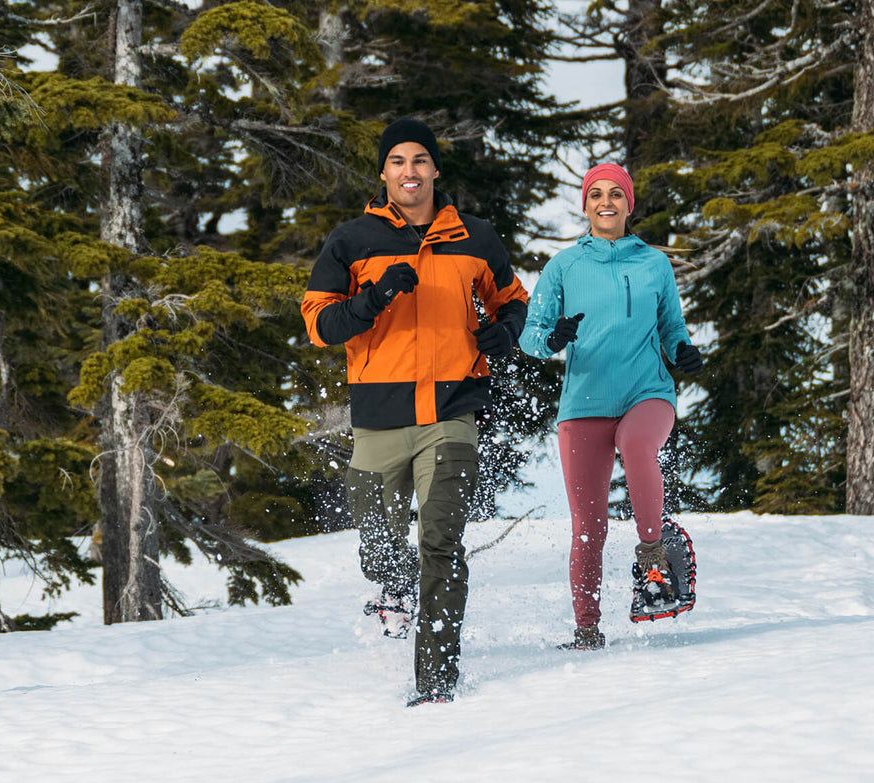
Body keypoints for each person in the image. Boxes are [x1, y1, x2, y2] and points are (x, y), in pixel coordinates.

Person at [301, 118, 529, 705]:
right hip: (378, 419)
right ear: (384, 172)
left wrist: (505, 332)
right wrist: (373, 299)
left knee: (441, 542)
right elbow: (319, 324)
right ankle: (394, 585)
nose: (410, 171)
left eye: (420, 160)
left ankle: (435, 678)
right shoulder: (353, 240)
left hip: (452, 414)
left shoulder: (475, 237)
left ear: (435, 170)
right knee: (379, 544)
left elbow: (513, 301)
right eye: (398, 161)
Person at [519, 162, 703, 650]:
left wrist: (683, 351)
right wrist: (553, 338)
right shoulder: (564, 266)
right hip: (583, 403)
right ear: (585, 205)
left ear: (629, 203)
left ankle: (654, 566)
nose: (606, 201)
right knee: (589, 526)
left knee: (636, 444)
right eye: (596, 193)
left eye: (615, 194)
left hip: (648, 391)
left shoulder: (654, 263)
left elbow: (672, 326)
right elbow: (530, 336)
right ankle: (586, 629)